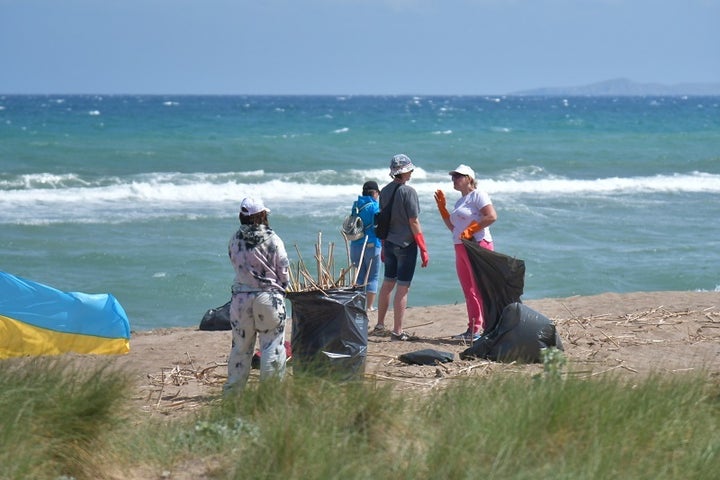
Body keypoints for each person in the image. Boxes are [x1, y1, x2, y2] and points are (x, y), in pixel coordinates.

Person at [224, 196, 290, 393]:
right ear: (262, 215)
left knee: (240, 348)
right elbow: (284, 270)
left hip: (241, 299)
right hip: (269, 298)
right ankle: (269, 396)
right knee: (272, 347)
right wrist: (284, 289)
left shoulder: (234, 239)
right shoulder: (273, 240)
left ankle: (233, 395)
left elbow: (235, 263)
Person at [434, 164, 497, 341]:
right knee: (468, 289)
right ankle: (473, 329)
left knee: (480, 288)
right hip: (460, 245)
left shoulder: (478, 194)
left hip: (477, 245)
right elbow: (453, 228)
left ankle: (488, 329)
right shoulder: (460, 201)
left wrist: (472, 230)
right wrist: (443, 209)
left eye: (458, 176)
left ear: (469, 178)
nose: (454, 179)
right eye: (453, 177)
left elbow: (491, 216)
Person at [372, 154, 430, 341]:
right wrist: (423, 248)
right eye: (410, 170)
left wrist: (381, 245)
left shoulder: (385, 191)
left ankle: (380, 325)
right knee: (403, 287)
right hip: (406, 244)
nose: (411, 172)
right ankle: (397, 331)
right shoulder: (409, 192)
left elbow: (383, 220)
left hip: (388, 243)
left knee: (388, 283)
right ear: (405, 171)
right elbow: (413, 221)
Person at [349, 180, 382, 312]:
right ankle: (369, 306)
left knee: (359, 277)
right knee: (373, 276)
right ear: (374, 193)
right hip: (372, 243)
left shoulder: (356, 205)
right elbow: (378, 227)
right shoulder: (375, 206)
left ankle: (358, 305)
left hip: (355, 244)